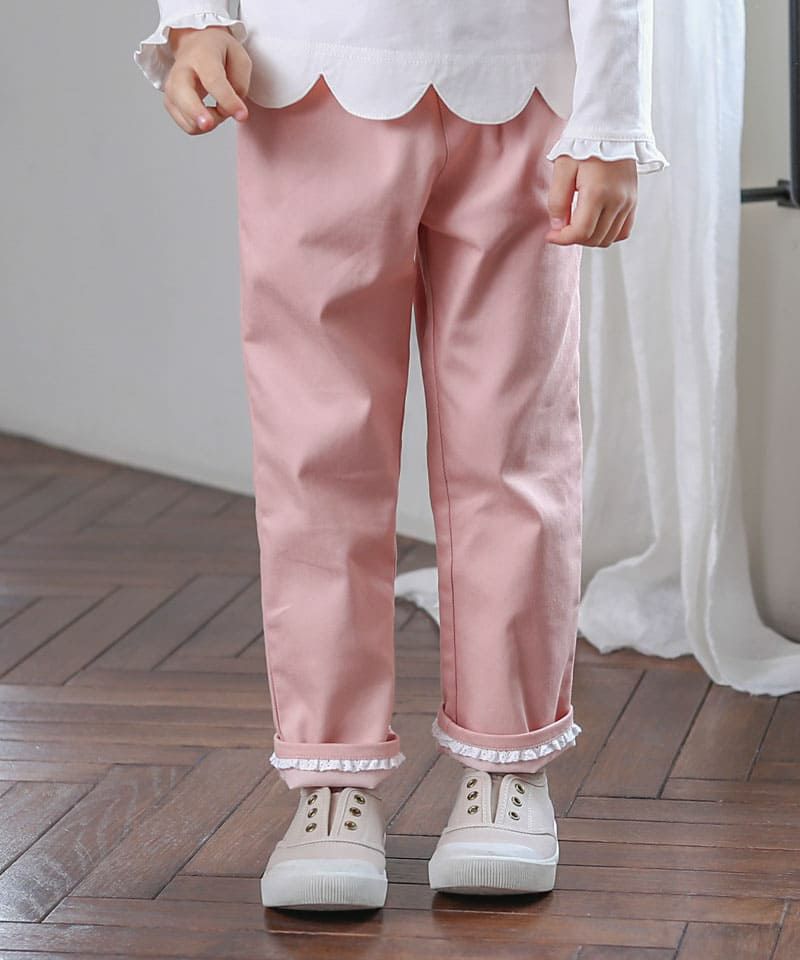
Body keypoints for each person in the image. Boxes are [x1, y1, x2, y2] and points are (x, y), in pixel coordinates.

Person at [134, 0, 668, 911]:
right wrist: (195, 19)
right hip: (307, 76)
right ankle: (330, 776)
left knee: (514, 446)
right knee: (316, 453)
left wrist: (612, 116)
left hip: (522, 83)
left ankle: (508, 764)